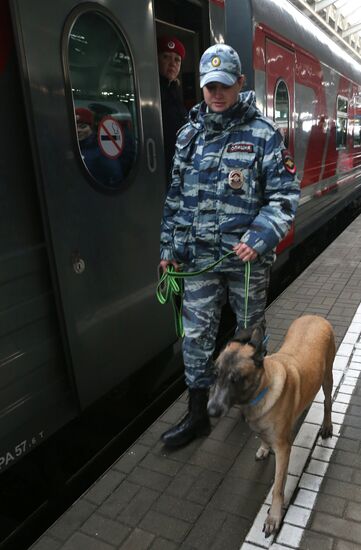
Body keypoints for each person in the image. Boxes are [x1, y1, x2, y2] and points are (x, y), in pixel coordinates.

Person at [159, 44, 300, 448]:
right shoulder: (189, 135)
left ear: (240, 82)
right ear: (201, 86)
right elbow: (175, 198)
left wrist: (258, 237)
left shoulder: (263, 135)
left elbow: (285, 196)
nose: (216, 93)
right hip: (200, 259)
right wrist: (168, 249)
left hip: (246, 262)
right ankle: (198, 415)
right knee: (196, 336)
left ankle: (256, 401)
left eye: (224, 85)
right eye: (209, 86)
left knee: (249, 336)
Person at [157, 36, 188, 183]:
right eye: (166, 57)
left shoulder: (174, 89)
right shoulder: (155, 89)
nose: (172, 64)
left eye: (177, 60)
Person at [75, 107, 124, 187]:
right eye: (75, 127)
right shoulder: (72, 147)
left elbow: (115, 176)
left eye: (83, 126)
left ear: (91, 128)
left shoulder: (101, 148)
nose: (78, 130)